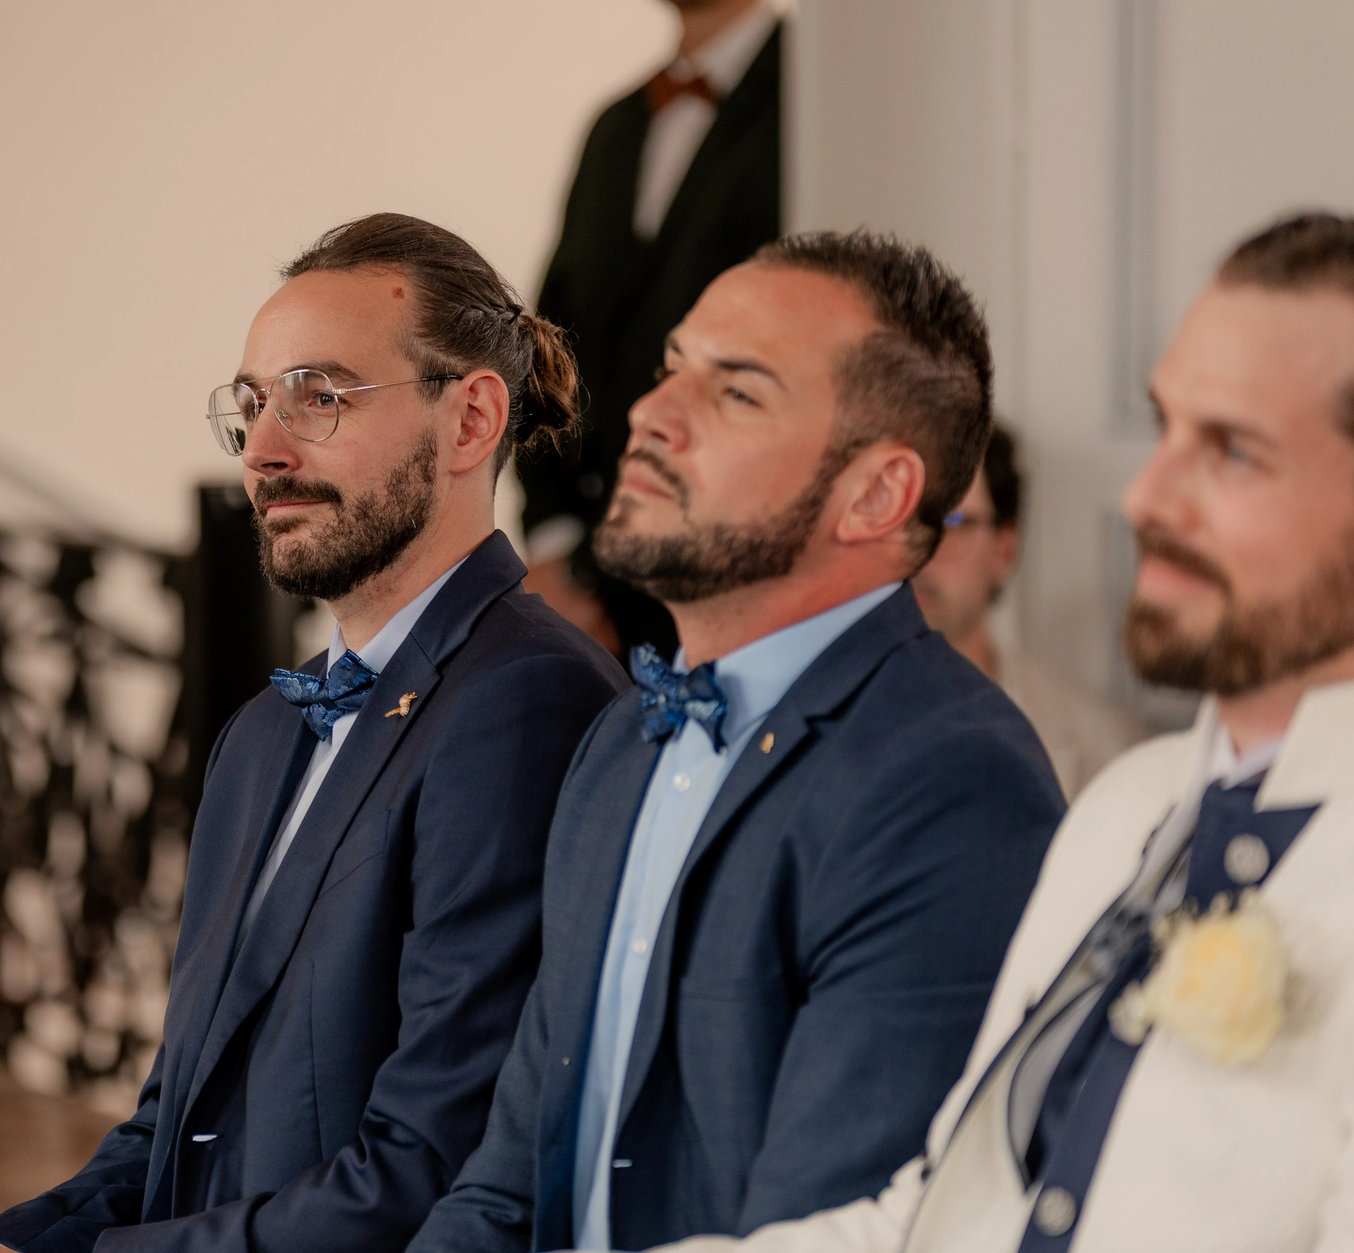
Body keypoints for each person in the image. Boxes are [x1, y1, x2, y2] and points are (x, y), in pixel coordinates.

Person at [0, 214, 628, 1253]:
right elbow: (168, 1124)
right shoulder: (264, 727)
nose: (264, 453)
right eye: (252, 405)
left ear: (468, 420)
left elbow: (426, 1168)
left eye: (321, 396)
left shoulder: (526, 701)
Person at [644, 212, 1354, 1252]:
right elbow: (939, 1215)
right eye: (1163, 429)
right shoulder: (1125, 807)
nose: (1144, 496)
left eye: (1232, 452)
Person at [408, 230, 1065, 1253]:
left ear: (875, 494)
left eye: (736, 392)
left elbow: (827, 1226)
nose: (648, 412)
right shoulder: (621, 736)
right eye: (671, 368)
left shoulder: (950, 779)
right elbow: (505, 1176)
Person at [521, 0, 785, 660]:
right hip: (592, 581)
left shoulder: (818, 97)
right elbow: (546, 342)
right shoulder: (614, 127)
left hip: (740, 569)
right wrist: (555, 546)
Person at [913, 423, 1149, 798]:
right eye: (904, 523)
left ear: (1004, 550)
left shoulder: (1101, 747)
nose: (919, 553)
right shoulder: (806, 726)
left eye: (952, 523)